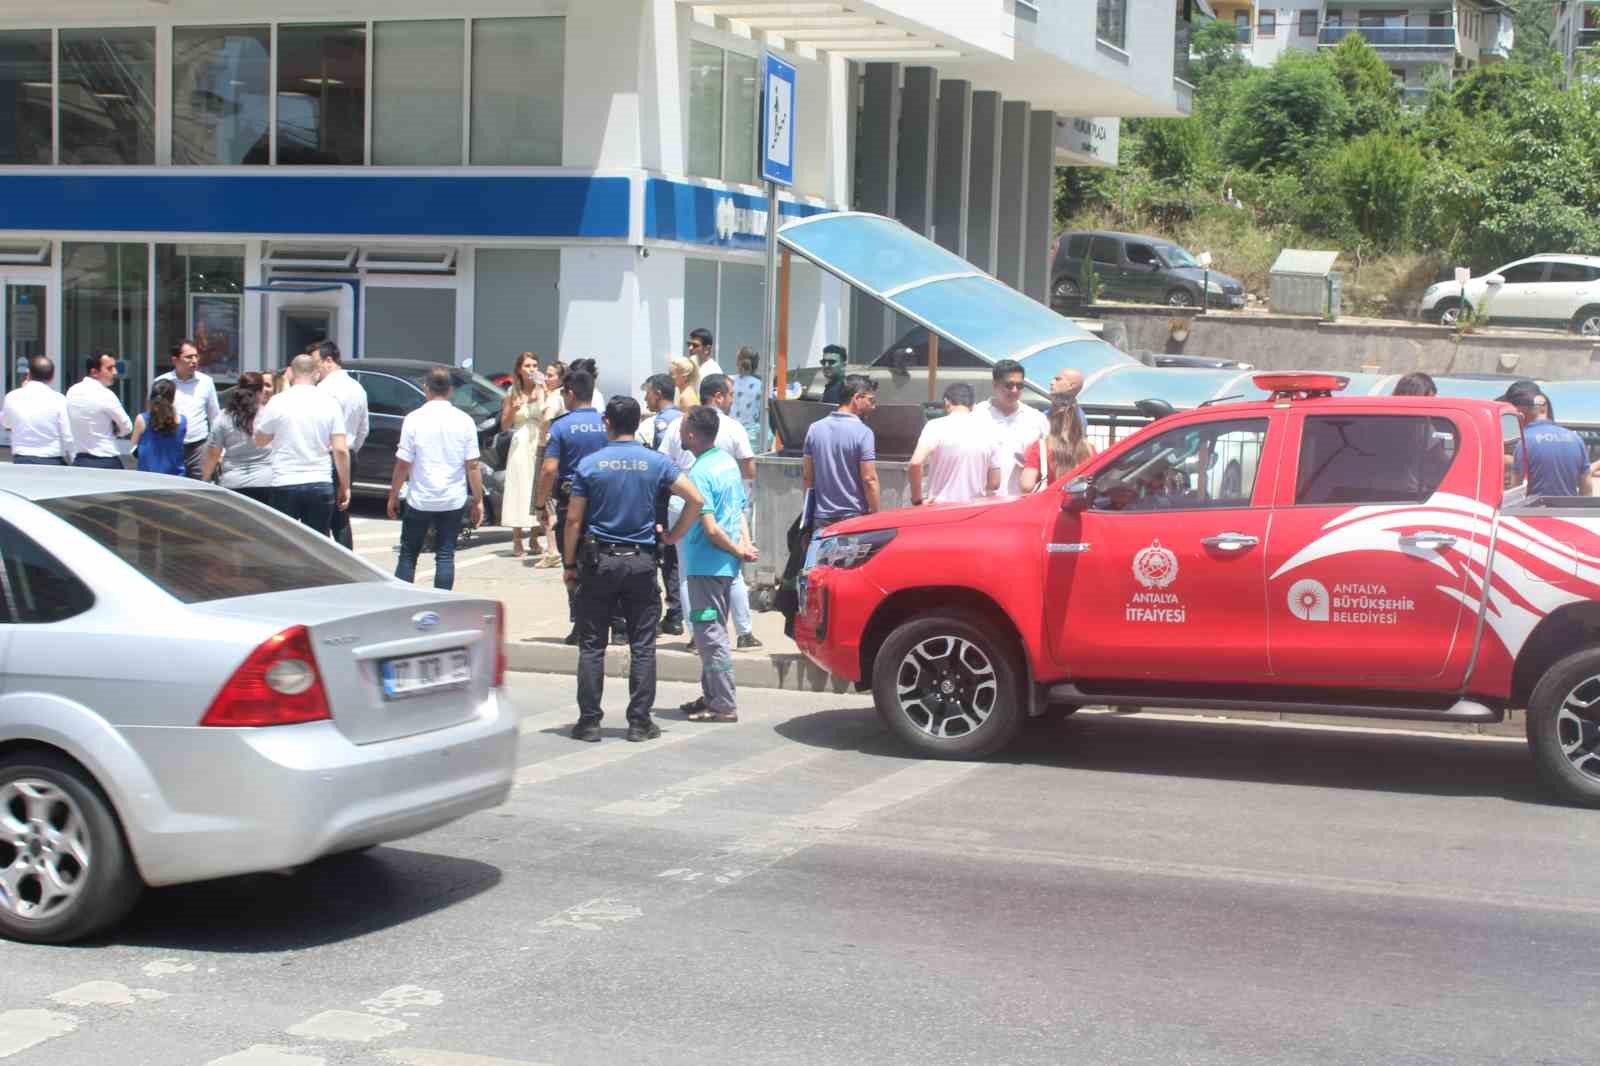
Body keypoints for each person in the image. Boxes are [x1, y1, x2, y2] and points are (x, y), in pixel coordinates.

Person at [562, 396, 704, 743]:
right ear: (636, 422)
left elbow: (574, 519)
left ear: (607, 423)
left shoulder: (590, 464)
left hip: (600, 563)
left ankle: (589, 723)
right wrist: (673, 536)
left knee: (593, 645)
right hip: (641, 563)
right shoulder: (656, 462)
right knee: (642, 645)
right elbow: (696, 499)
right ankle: (640, 723)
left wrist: (568, 564)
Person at [660, 373, 761, 649]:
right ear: (717, 396)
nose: (731, 400)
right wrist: (743, 540)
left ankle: (699, 635)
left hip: (686, 503)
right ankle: (744, 632)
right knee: (732, 572)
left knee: (687, 573)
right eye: (730, 394)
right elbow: (748, 468)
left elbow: (662, 465)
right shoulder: (730, 428)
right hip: (724, 501)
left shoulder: (679, 425)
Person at [678, 406, 760, 723]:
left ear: (691, 435)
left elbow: (711, 530)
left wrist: (740, 550)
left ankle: (723, 704)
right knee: (709, 635)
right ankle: (711, 695)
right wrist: (744, 544)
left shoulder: (699, 473)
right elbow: (740, 511)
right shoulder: (726, 463)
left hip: (707, 567)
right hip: (723, 566)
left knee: (710, 637)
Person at [388, 367, 485, 590]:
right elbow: (472, 464)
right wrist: (478, 499)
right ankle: (442, 600)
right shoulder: (464, 421)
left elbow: (403, 463)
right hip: (452, 498)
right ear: (450, 390)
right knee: (445, 555)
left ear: (426, 389)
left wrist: (393, 494)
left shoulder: (413, 419)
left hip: (420, 498)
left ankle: (402, 601)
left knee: (408, 555)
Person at [536, 368, 609, 643]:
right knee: (607, 560)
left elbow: (549, 468)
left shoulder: (561, 425)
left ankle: (581, 625)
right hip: (606, 502)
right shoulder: (607, 423)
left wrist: (541, 504)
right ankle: (618, 625)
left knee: (574, 563)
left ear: (570, 393)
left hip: (572, 503)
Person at [254, 352, 350, 535]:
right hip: (319, 481)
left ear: (290, 372)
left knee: (283, 543)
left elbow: (260, 440)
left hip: (285, 481)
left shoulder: (277, 402)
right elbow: (340, 449)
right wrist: (344, 486)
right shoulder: (330, 403)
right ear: (316, 373)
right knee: (317, 543)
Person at [640, 373, 685, 633]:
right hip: (683, 493)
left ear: (657, 392)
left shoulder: (661, 423)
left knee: (665, 555)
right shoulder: (684, 418)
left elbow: (660, 464)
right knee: (676, 557)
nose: (646, 397)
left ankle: (673, 613)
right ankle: (677, 612)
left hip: (664, 498)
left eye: (647, 392)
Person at [804, 373, 880, 527]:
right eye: (871, 400)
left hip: (821, 517)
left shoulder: (814, 429)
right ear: (857, 398)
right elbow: (869, 479)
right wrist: (876, 514)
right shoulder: (864, 432)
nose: (873, 407)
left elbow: (807, 478)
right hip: (853, 519)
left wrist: (808, 517)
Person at [908, 382, 1002, 505]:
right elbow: (994, 483)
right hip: (974, 511)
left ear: (947, 402)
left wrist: (917, 499)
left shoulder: (935, 426)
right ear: (973, 406)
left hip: (940, 509)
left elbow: (915, 463)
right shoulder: (990, 431)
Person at [315, 341, 370, 550]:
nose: (315, 369)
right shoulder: (357, 388)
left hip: (327, 455)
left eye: (316, 363)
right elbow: (364, 427)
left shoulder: (322, 390)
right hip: (349, 453)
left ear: (329, 361)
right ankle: (348, 559)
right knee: (341, 514)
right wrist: (352, 448)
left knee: (321, 516)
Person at [1500, 381, 1591, 497]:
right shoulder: (1576, 439)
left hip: (1533, 514)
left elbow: (1514, 493)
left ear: (1520, 411)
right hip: (1566, 513)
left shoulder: (1524, 443)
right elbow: (1587, 488)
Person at [974, 358, 1049, 498]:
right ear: (995, 385)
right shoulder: (976, 415)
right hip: (981, 501)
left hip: (1021, 502)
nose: (1015, 390)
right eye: (1009, 385)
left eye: (1020, 386)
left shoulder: (1037, 419)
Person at [500, 352, 548, 558]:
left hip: (539, 438)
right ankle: (517, 538)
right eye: (528, 365)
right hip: (520, 441)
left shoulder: (543, 389)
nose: (532, 369)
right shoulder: (513, 391)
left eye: (535, 365)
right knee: (519, 486)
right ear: (519, 369)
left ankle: (535, 536)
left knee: (538, 487)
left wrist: (545, 390)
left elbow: (551, 414)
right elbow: (504, 424)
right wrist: (513, 408)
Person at [201, 371, 275, 503]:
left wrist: (204, 480)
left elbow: (213, 454)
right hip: (266, 482)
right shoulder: (270, 415)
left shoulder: (224, 417)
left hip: (233, 484)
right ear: (260, 391)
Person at [1019, 369, 1095, 493]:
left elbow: (1026, 485)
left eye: (1057, 379)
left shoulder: (1041, 447)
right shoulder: (1089, 449)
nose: (1051, 382)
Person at [154, 339, 221, 478]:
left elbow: (215, 416)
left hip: (199, 447)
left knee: (201, 488)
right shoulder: (162, 383)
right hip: (170, 445)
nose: (194, 360)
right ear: (175, 360)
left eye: (196, 356)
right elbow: (153, 415)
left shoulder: (206, 382)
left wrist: (219, 450)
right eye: (189, 357)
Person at [66, 352, 132, 469]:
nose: (115, 372)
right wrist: (115, 432)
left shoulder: (72, 391)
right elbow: (127, 427)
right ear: (94, 372)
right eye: (110, 368)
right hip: (106, 461)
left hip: (80, 461)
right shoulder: (106, 394)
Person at [2, 355, 72, 465]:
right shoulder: (59, 400)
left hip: (22, 459)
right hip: (52, 459)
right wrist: (73, 458)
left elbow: (6, 423)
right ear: (52, 377)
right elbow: (67, 434)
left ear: (28, 374)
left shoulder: (12, 397)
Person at [534, 360, 568, 567]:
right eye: (546, 374)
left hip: (549, 449)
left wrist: (542, 435)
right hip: (561, 450)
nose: (547, 378)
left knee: (548, 501)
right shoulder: (560, 395)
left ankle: (552, 549)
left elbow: (547, 417)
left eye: (552, 375)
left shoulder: (555, 398)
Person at [131, 380, 188, 477]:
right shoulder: (182, 421)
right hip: (176, 478)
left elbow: (133, 449)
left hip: (148, 478)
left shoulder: (142, 419)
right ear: (172, 399)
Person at [731, 347, 764, 445]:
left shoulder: (729, 381)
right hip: (753, 437)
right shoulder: (762, 385)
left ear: (738, 362)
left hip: (732, 433)